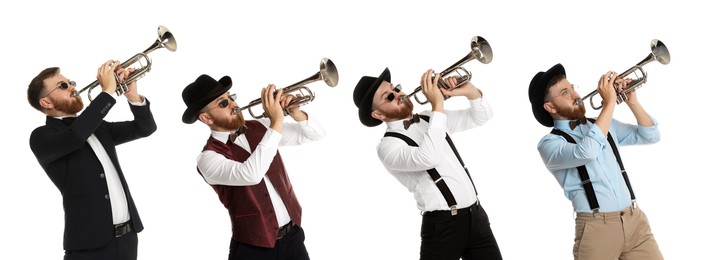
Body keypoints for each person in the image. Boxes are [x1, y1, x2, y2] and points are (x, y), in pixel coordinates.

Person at [352, 67, 502, 260]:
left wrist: (469, 91)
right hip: (442, 227)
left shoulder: (429, 118)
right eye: (388, 97)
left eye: (395, 88)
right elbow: (428, 157)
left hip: (477, 216)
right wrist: (437, 104)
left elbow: (481, 116)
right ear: (378, 115)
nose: (398, 94)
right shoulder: (388, 147)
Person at [181, 74, 325, 260]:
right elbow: (251, 174)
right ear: (206, 117)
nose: (233, 105)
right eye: (223, 103)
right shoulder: (208, 158)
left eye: (230, 97)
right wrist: (276, 122)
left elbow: (315, 135)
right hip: (252, 250)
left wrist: (297, 113)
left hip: (293, 238)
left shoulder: (261, 126)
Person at [528, 63, 664, 259]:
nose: (575, 95)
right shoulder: (550, 144)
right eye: (565, 92)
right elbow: (587, 152)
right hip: (596, 228)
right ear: (549, 106)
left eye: (573, 88)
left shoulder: (600, 124)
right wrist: (609, 103)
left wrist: (632, 102)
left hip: (635, 222)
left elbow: (650, 135)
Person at [27, 60, 157, 260]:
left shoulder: (98, 127)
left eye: (70, 82)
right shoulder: (42, 136)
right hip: (88, 247)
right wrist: (106, 93)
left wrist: (133, 96)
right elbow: (75, 137)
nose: (72, 87)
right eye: (63, 86)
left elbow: (144, 128)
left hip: (127, 240)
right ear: (46, 102)